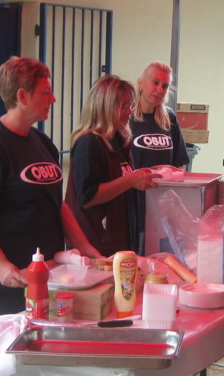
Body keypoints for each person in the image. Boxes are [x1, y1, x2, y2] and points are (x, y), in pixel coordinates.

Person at [0, 56, 100, 318]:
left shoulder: (42, 142)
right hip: (13, 279)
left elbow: (57, 205)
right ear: (22, 96)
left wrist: (85, 247)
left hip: (49, 271)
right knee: (12, 351)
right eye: (46, 92)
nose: (53, 99)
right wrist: (2, 265)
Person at [66, 74, 160, 256]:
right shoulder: (89, 143)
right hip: (95, 248)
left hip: (119, 243)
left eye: (130, 106)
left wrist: (149, 174)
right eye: (123, 107)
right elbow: (87, 197)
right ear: (104, 108)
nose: (129, 112)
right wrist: (130, 180)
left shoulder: (119, 139)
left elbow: (121, 180)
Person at [130, 61, 190, 252]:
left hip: (163, 210)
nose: (159, 90)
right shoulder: (126, 118)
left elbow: (180, 164)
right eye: (155, 82)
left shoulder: (169, 118)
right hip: (134, 209)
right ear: (140, 83)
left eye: (164, 86)